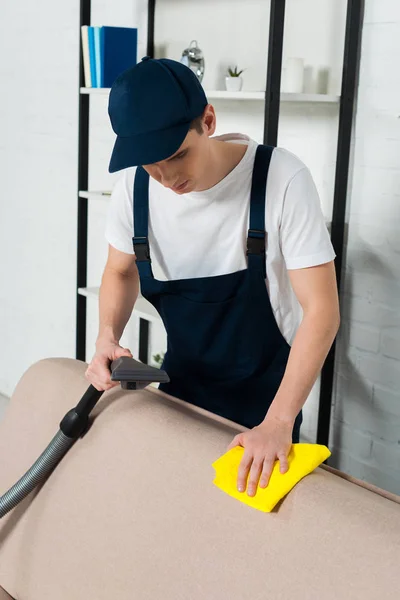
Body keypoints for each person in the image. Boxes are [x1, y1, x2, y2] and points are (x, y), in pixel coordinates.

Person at [85, 57, 340, 498]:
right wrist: (107, 336)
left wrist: (277, 423)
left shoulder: (280, 179)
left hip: (265, 404)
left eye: (178, 154)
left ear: (208, 120)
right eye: (150, 163)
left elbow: (322, 311)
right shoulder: (135, 188)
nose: (166, 178)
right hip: (179, 392)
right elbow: (119, 270)